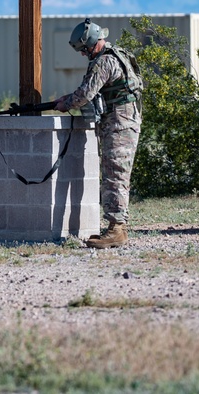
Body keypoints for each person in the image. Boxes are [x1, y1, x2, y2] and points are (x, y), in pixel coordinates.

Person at [54, 19, 143, 249]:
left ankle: (117, 229)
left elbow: (86, 94)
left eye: (84, 50)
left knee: (115, 174)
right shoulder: (117, 55)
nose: (84, 55)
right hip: (124, 120)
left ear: (93, 43)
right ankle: (117, 226)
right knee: (117, 173)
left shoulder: (103, 62)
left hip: (119, 123)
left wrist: (67, 103)